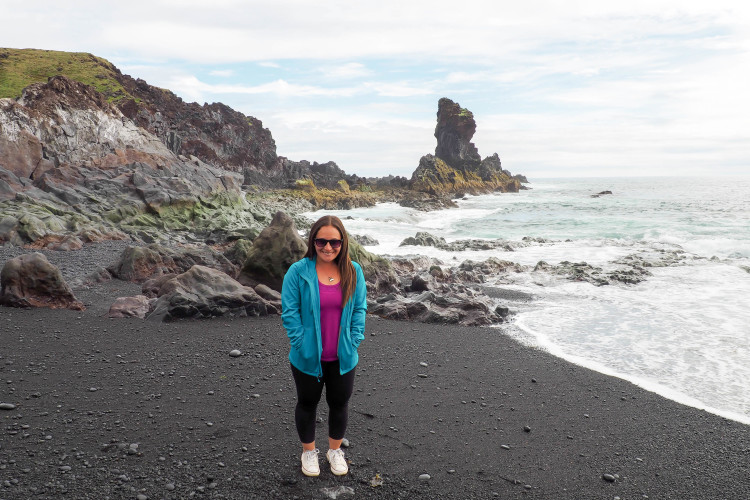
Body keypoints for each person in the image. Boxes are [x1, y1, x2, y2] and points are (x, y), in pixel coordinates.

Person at [281, 215, 367, 477]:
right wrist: (301, 343)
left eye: (334, 242)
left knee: (339, 404)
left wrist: (353, 341)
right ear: (313, 241)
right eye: (321, 241)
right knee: (307, 403)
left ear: (343, 242)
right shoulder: (298, 271)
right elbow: (289, 311)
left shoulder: (353, 271)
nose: (328, 247)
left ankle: (334, 450)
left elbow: (360, 309)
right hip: (307, 356)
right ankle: (309, 452)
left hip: (343, 355)